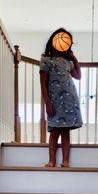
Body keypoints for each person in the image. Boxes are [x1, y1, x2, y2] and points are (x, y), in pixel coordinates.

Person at [39, 28, 83, 167]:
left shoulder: (68, 62)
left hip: (70, 102)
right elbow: (43, 84)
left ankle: (65, 161)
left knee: (65, 133)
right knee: (54, 132)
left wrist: (74, 59)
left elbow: (78, 76)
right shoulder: (46, 60)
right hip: (55, 102)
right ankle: (51, 160)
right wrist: (47, 103)